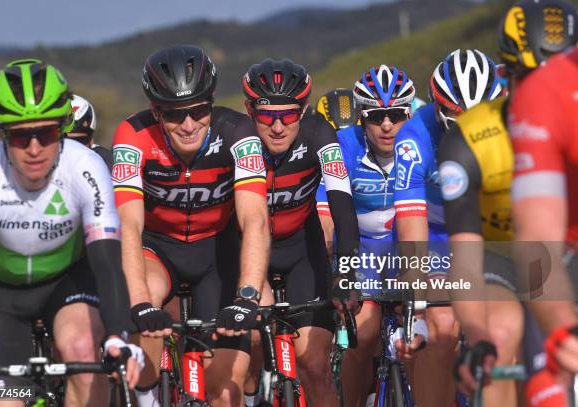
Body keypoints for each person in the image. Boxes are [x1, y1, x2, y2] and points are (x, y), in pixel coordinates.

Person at [0, 58, 143, 406]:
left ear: (61, 129)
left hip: (67, 281)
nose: (34, 149)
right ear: (2, 134)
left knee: (83, 353)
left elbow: (107, 263)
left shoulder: (86, 167)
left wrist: (118, 336)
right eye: (20, 136)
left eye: (46, 134)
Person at [112, 45, 270, 406]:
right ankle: (146, 395)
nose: (188, 124)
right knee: (143, 298)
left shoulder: (238, 131)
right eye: (173, 115)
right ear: (156, 111)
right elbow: (129, 226)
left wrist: (247, 296)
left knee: (224, 390)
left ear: (211, 102)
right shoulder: (131, 135)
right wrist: (139, 305)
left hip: (217, 249)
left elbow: (255, 219)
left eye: (199, 111)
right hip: (158, 248)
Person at [438, 2, 577, 405]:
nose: (548, 94)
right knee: (498, 337)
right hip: (495, 258)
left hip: (563, 254)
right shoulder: (469, 140)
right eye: (534, 79)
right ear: (507, 76)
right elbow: (465, 259)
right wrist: (476, 335)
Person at [242, 58, 360, 407]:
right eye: (266, 116)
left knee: (314, 364)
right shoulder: (237, 138)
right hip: (249, 251)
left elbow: (342, 205)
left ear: (304, 110)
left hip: (300, 251)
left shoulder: (319, 133)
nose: (278, 127)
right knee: (248, 349)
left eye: (289, 114)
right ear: (250, 111)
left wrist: (346, 271)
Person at [393, 49, 503, 407]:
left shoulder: (513, 124)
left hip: (489, 228)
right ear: (439, 111)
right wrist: (418, 309)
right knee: (440, 328)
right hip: (435, 235)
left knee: (506, 330)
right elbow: (412, 231)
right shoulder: (414, 137)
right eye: (458, 122)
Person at [315, 65, 417, 407]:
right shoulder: (343, 146)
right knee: (364, 332)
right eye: (376, 117)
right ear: (361, 117)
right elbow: (325, 215)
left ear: (410, 112)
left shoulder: (423, 143)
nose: (387, 125)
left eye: (395, 114)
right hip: (362, 251)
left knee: (430, 333)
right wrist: (333, 260)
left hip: (410, 246)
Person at [509, 39, 578, 406]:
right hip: (568, 260)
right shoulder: (546, 91)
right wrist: (563, 330)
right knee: (548, 391)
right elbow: (536, 239)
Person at [68, 94, 113, 169]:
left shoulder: (106, 163)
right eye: (64, 141)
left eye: (79, 141)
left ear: (91, 140)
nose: (72, 148)